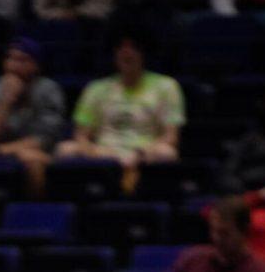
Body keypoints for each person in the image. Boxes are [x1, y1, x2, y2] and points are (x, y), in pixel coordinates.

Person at [56, 29, 185, 180]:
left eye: (133, 48)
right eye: (121, 48)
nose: (127, 53)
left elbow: (171, 137)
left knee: (167, 152)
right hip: (103, 151)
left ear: (144, 53)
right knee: (65, 149)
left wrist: (139, 154)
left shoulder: (167, 86)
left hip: (144, 152)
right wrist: (97, 153)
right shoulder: (96, 88)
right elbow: (80, 135)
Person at [0, 36, 66, 194]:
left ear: (36, 65)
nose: (13, 66)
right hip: (0, 151)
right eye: (10, 59)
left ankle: (34, 212)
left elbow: (42, 141)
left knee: (31, 158)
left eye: (22, 60)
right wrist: (6, 102)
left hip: (40, 154)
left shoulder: (48, 91)